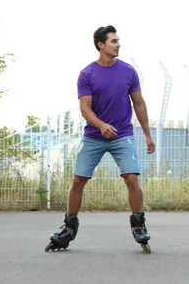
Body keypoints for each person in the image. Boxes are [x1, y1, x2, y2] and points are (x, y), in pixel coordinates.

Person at [45, 25, 155, 252]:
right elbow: (85, 108)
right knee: (78, 181)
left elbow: (139, 103)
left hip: (122, 134)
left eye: (118, 41)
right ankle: (69, 227)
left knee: (131, 178)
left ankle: (138, 224)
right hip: (94, 135)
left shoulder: (128, 71)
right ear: (101, 45)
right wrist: (101, 125)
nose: (118, 45)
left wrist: (146, 134)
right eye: (113, 41)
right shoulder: (87, 74)